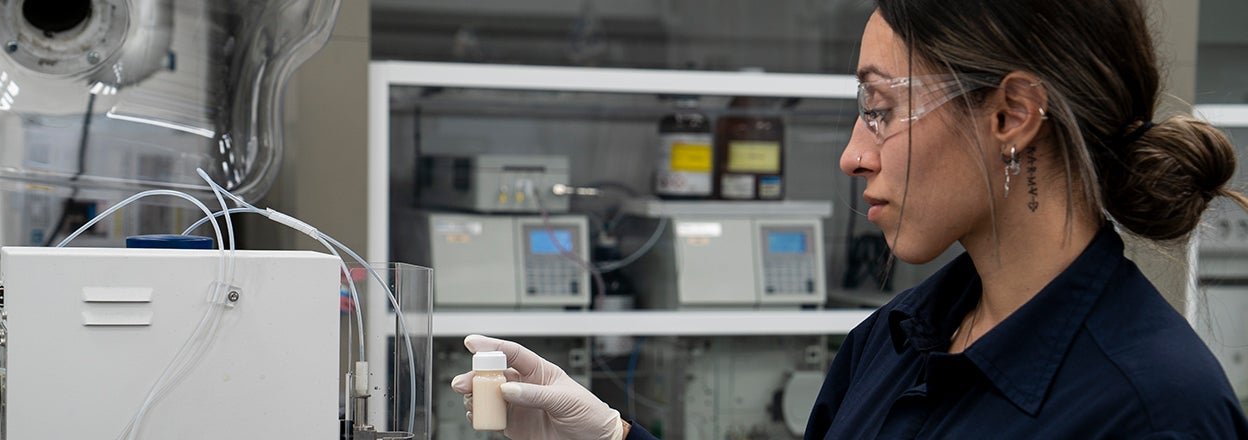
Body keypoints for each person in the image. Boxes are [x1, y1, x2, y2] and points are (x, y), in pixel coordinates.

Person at [451, 0, 1248, 438]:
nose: (852, 155)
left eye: (880, 108)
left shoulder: (1156, 410)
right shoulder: (896, 342)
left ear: (1010, 114)